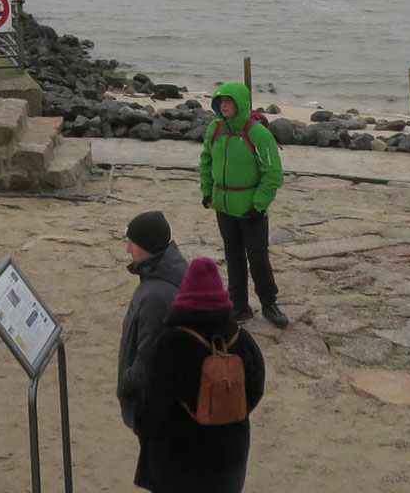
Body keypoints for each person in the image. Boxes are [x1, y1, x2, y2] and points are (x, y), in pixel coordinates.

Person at [133, 256, 266, 493]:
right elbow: (255, 390)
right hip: (230, 456)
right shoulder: (242, 340)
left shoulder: (169, 344)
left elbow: (151, 406)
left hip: (179, 458)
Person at [197, 81, 287, 327]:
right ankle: (239, 306)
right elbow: (206, 161)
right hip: (224, 206)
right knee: (233, 257)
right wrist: (207, 191)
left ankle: (269, 303)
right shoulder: (215, 129)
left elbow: (273, 174)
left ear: (240, 104)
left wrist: (259, 205)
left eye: (229, 101)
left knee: (258, 258)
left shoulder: (257, 133)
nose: (224, 106)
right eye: (221, 102)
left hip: (251, 210)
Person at [117, 210, 189, 488]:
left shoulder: (156, 296)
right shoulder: (169, 276)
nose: (127, 248)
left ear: (145, 245)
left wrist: (127, 387)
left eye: (131, 242)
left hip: (158, 411)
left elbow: (148, 359)